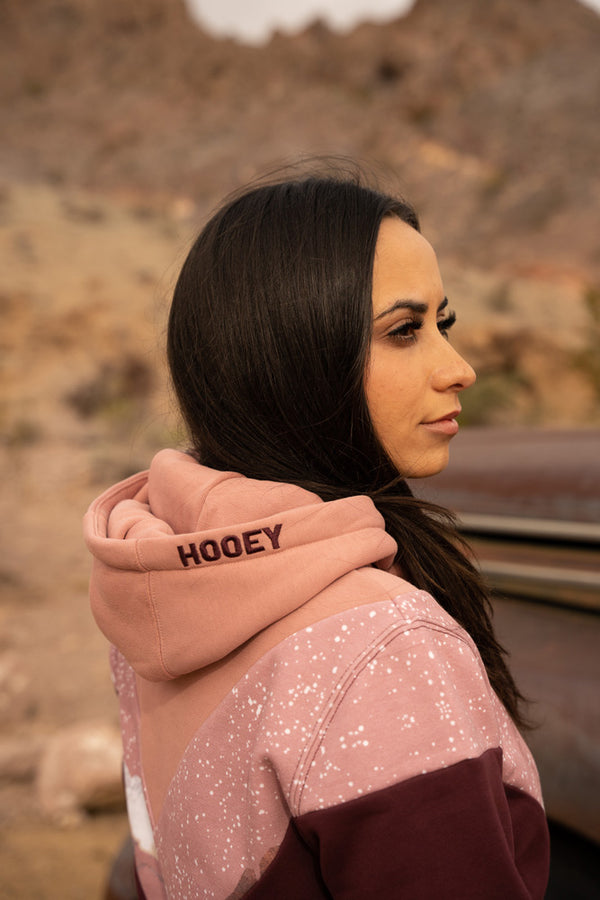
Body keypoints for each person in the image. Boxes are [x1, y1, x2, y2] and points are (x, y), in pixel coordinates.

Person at [84, 165, 550, 899]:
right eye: (404, 331)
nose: (457, 367)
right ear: (295, 359)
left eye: (443, 324)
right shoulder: (386, 649)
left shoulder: (159, 577)